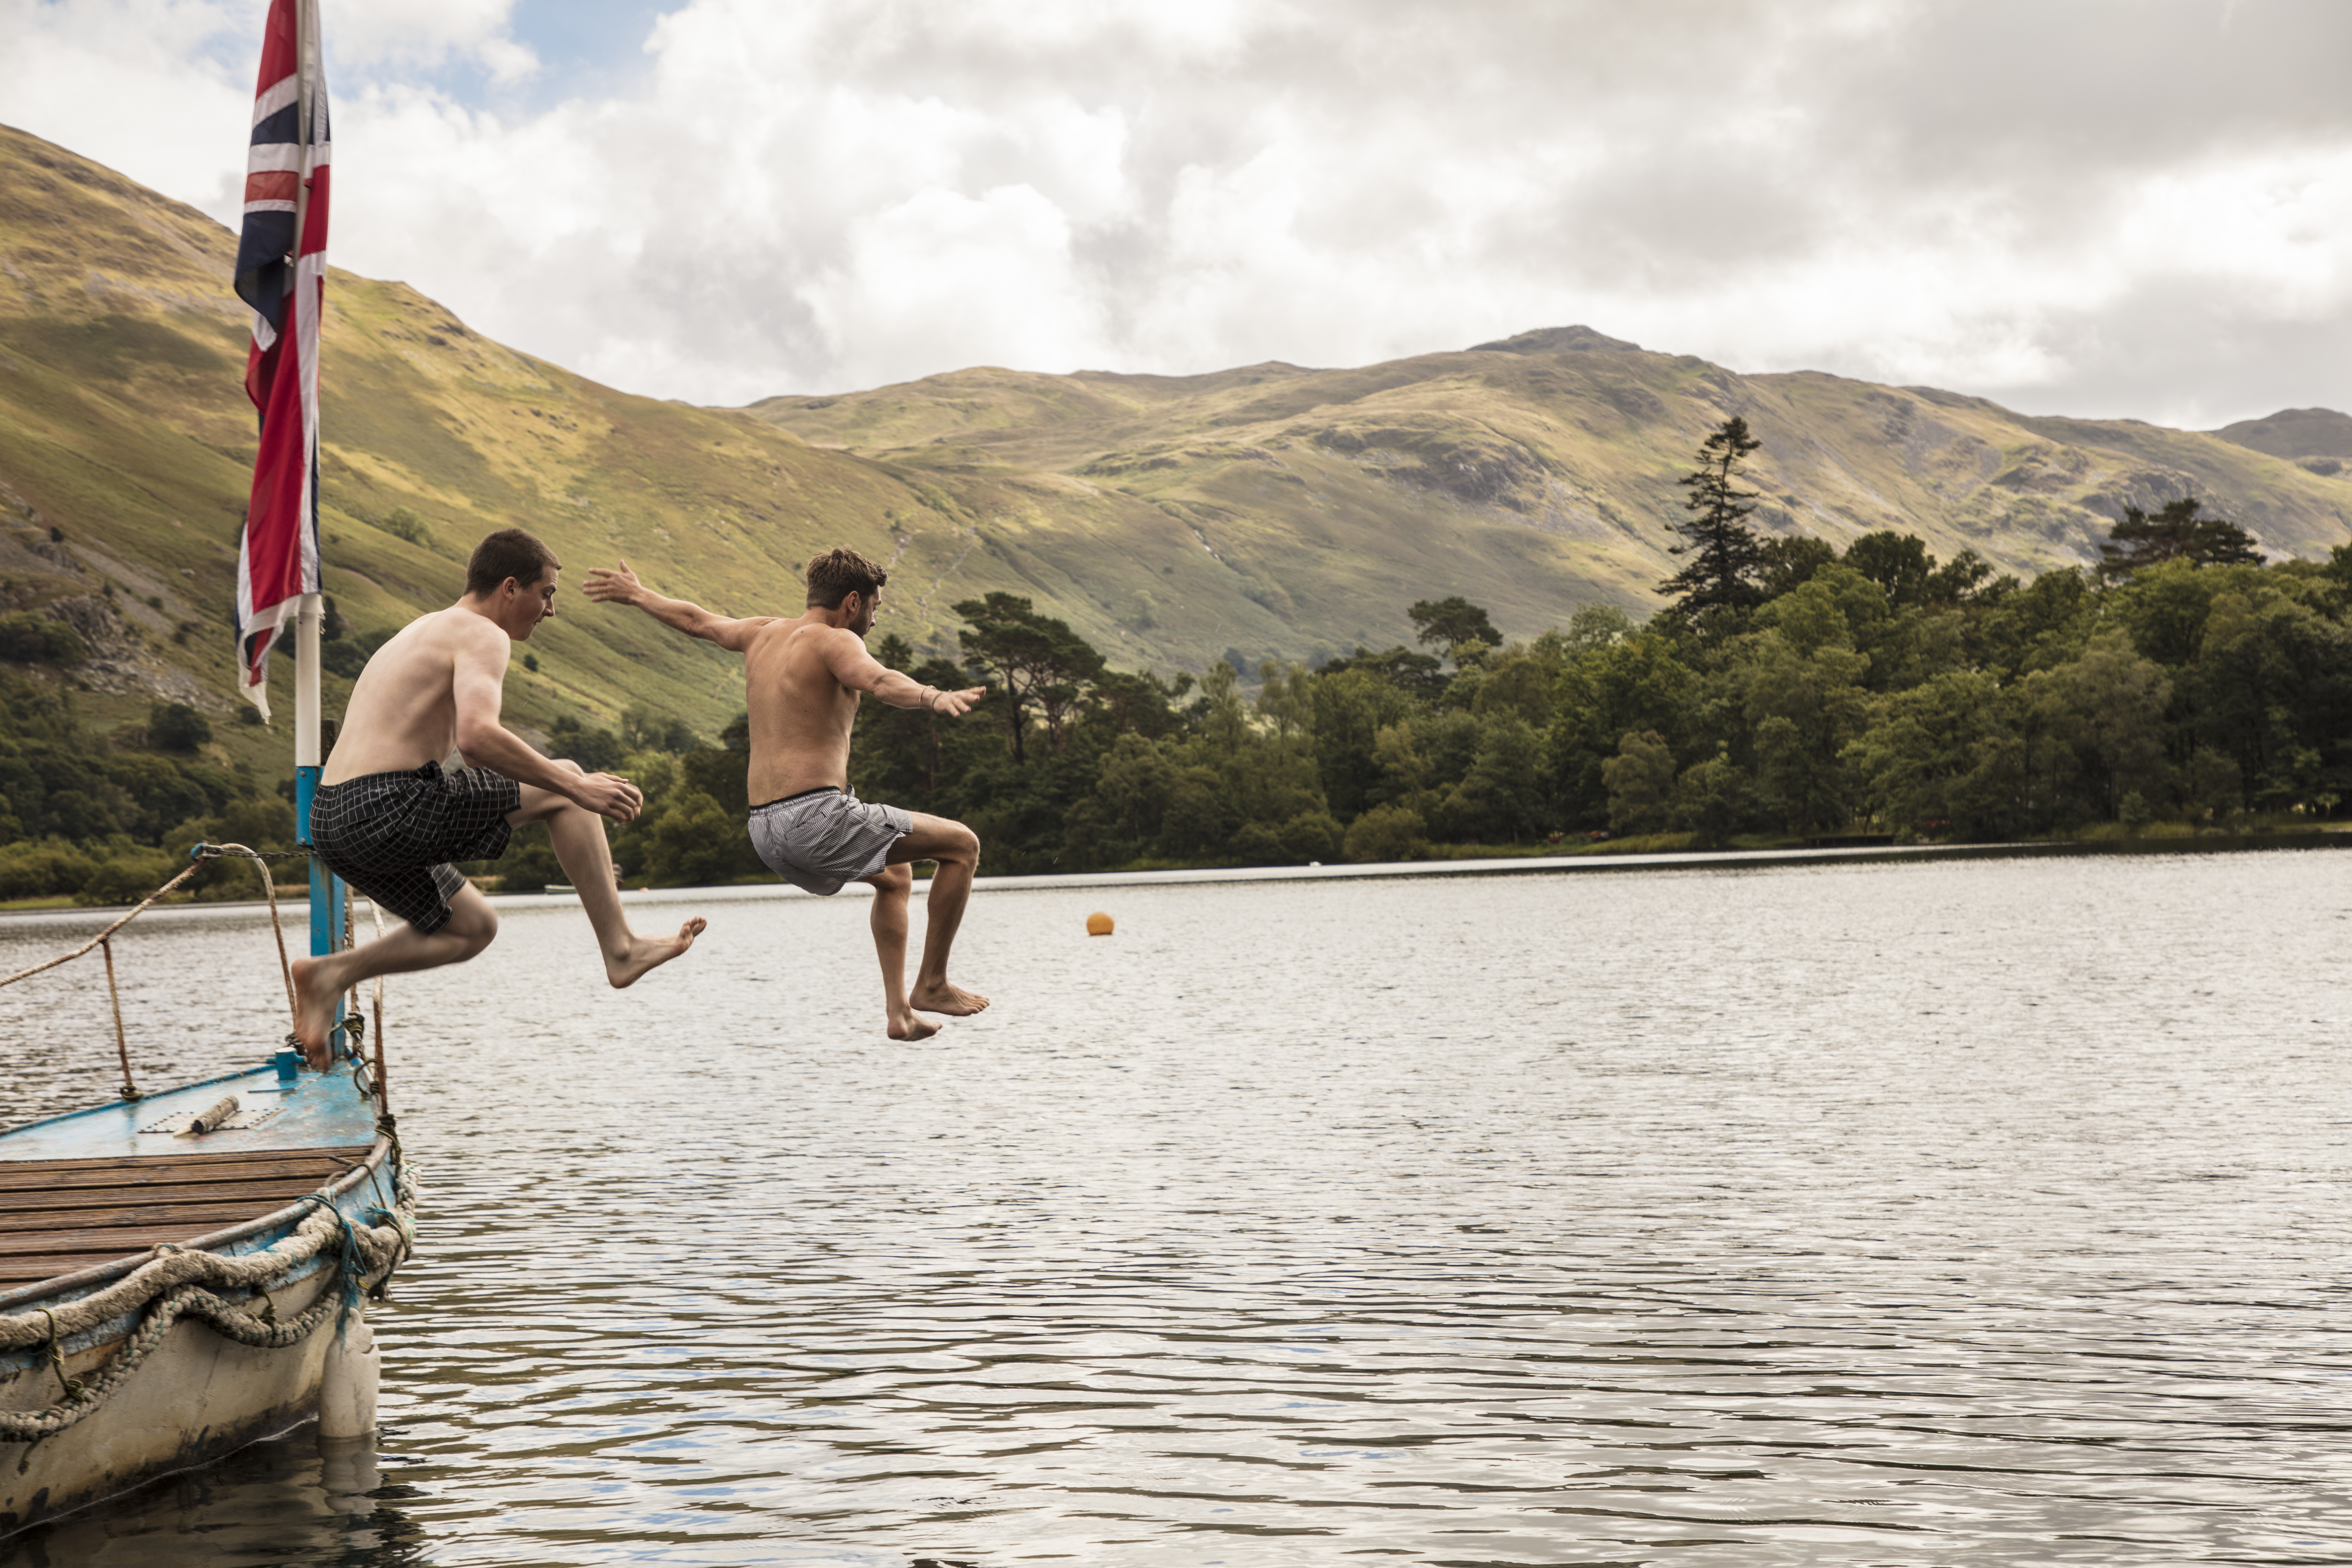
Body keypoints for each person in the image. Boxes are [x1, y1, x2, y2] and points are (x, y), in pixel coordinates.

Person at [291, 528, 705, 1065]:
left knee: (473, 927)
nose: (550, 610)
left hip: (335, 819)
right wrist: (575, 787)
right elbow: (478, 739)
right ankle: (620, 948)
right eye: (548, 593)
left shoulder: (424, 630)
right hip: (384, 805)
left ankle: (330, 973)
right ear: (511, 588)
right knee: (569, 784)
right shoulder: (483, 634)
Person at [584, 548, 989, 1040]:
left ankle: (899, 1014)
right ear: (853, 602)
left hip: (763, 830)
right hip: (815, 818)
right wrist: (933, 696)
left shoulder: (761, 633)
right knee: (963, 845)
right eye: (875, 609)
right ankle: (933, 983)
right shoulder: (836, 642)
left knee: (895, 875)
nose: (875, 622)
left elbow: (697, 622)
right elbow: (880, 682)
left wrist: (639, 595)